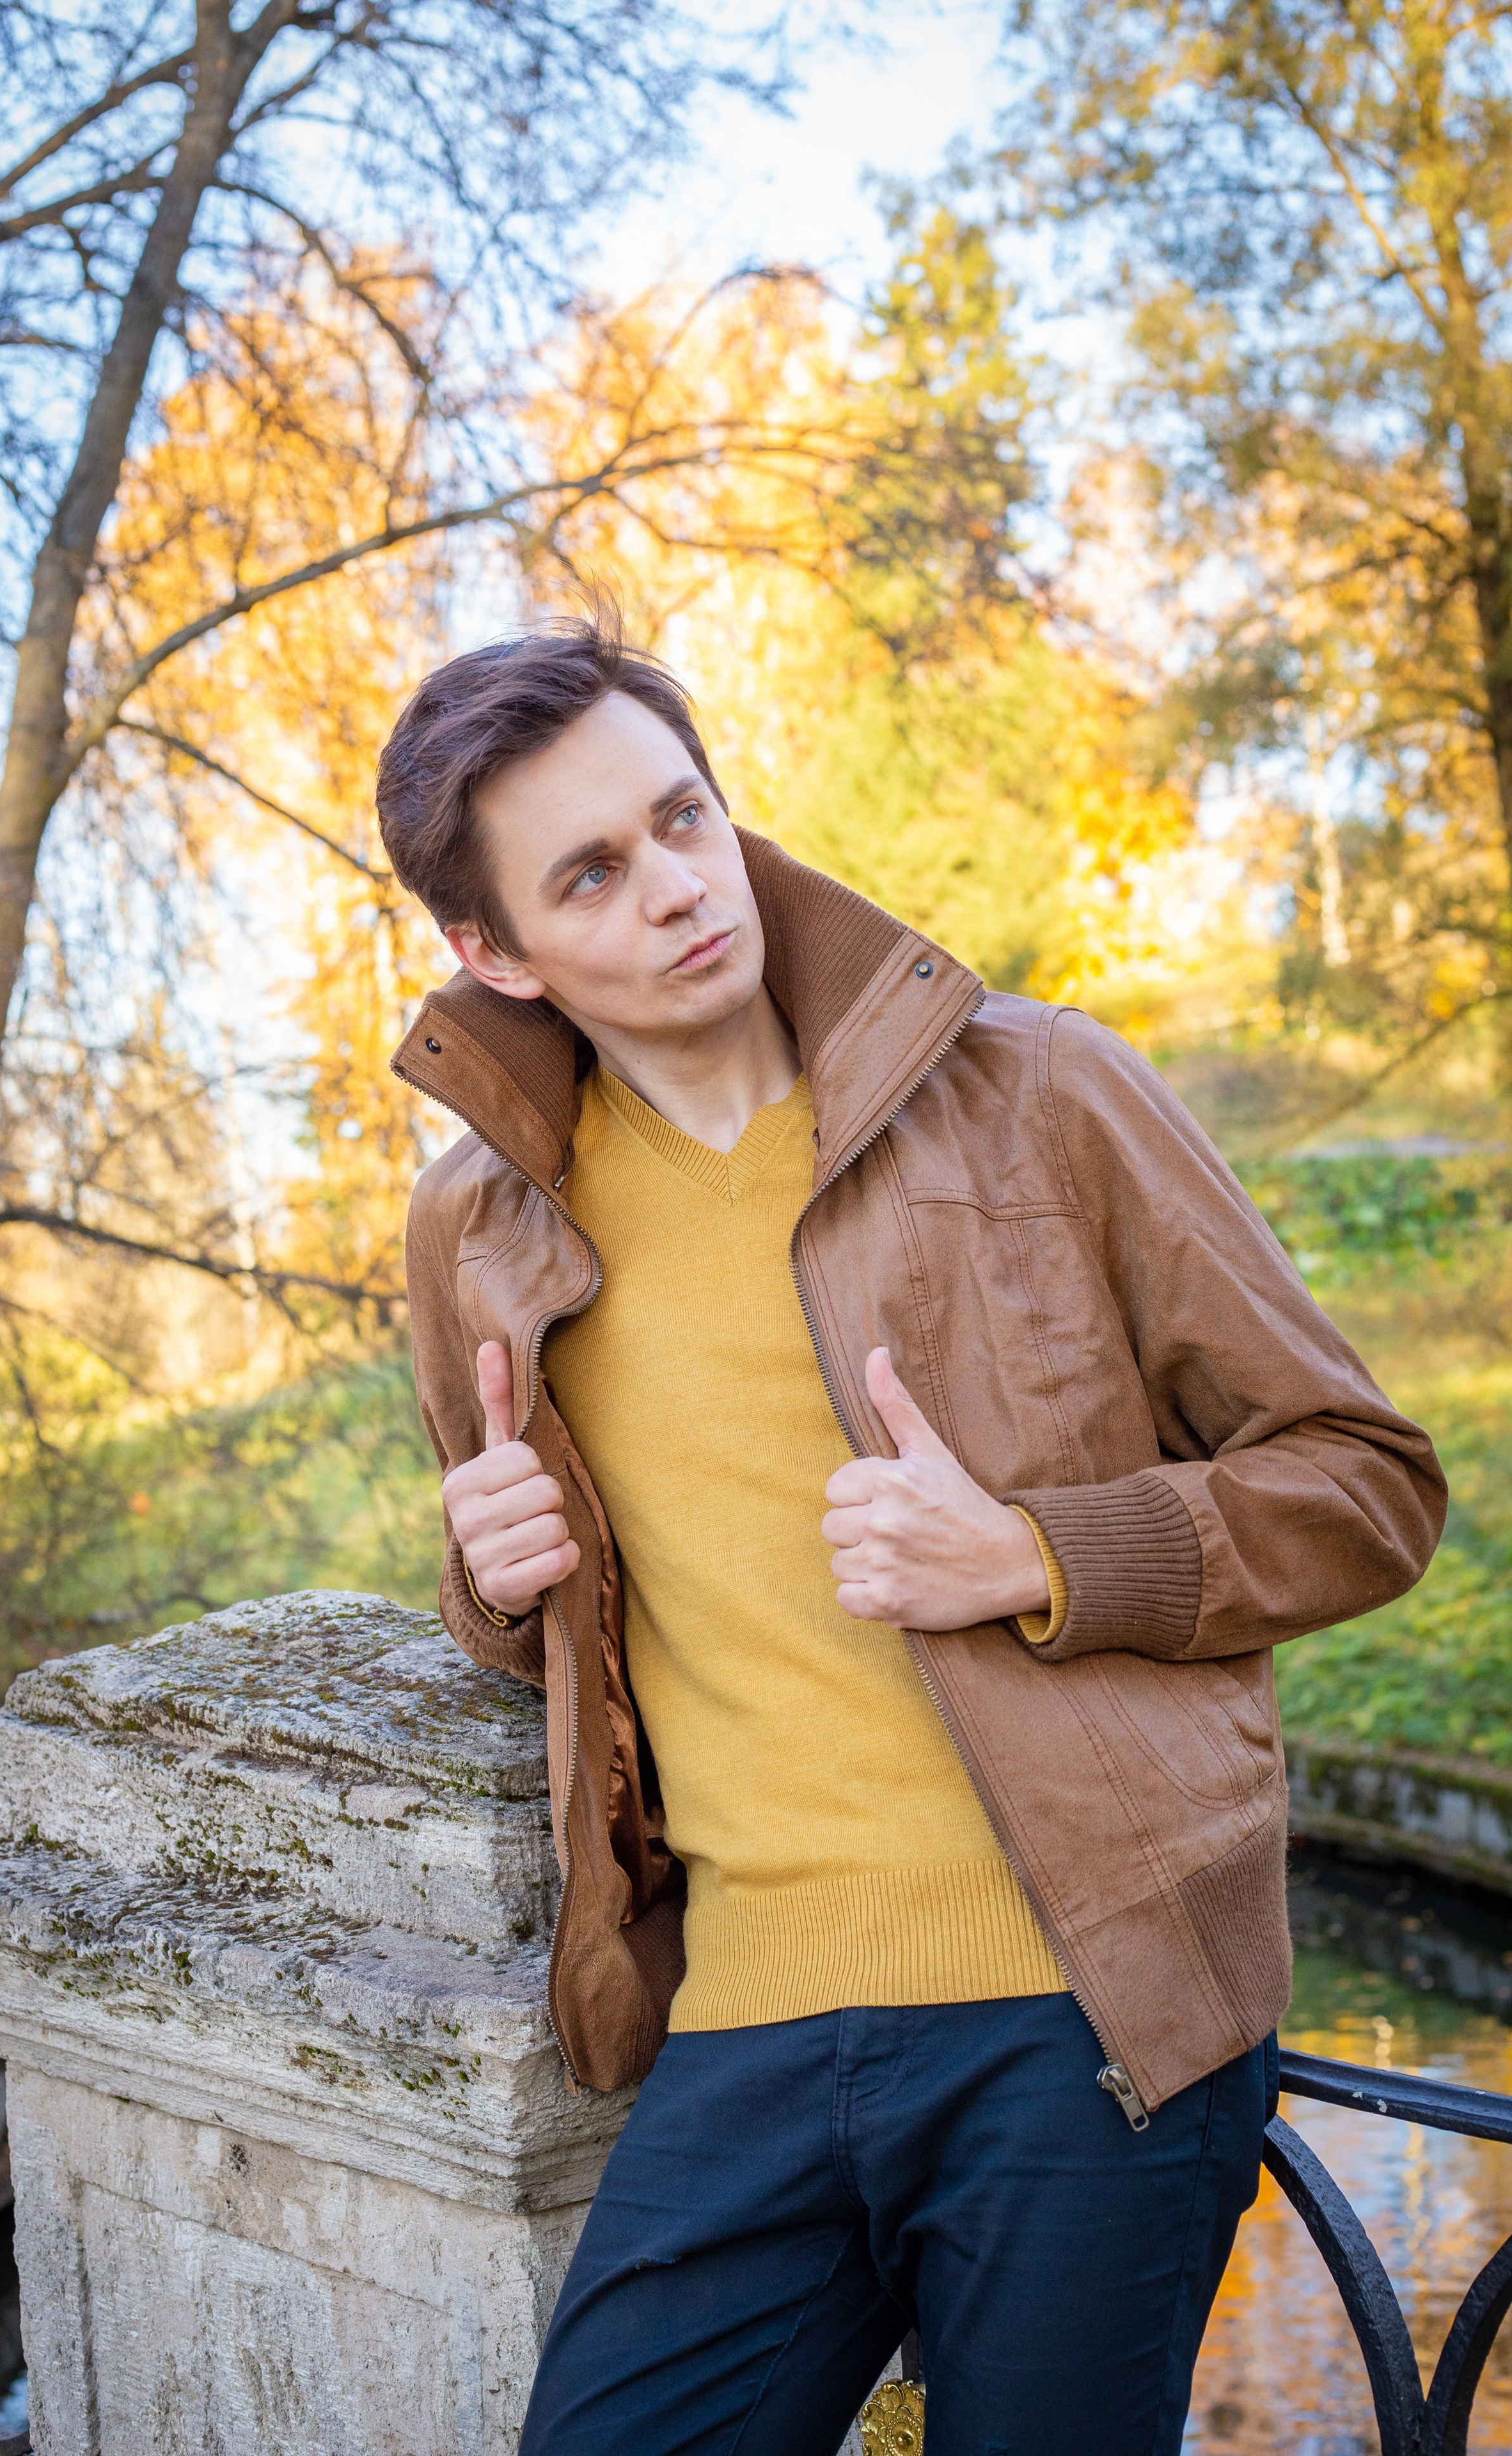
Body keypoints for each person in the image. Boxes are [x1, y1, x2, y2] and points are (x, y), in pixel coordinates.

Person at [377, 602, 1444, 2456]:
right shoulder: (478, 1230)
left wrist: (1035, 1557)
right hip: (746, 2028)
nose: (681, 887)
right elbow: (531, 1605)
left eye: (687, 819)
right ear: (497, 950)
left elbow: (1367, 1483)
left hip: (1087, 2017)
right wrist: (490, 1572)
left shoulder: (1044, 1090)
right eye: (595, 873)